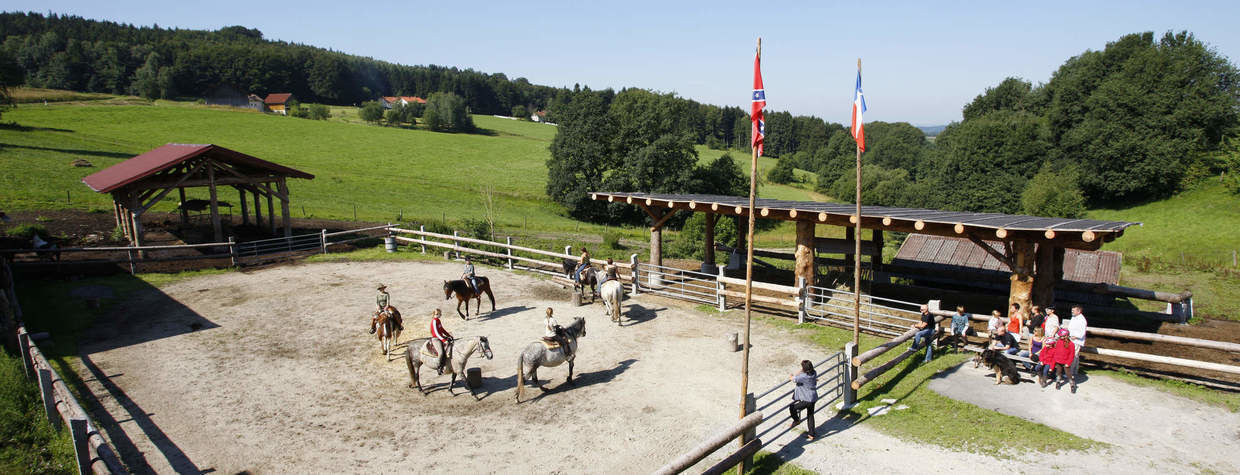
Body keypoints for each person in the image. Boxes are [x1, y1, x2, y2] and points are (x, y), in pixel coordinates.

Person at [788, 360, 819, 441]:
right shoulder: (814, 373)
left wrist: (792, 375)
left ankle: (796, 420)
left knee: (792, 407)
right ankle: (811, 434)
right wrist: (803, 370)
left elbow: (793, 378)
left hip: (807, 400)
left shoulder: (803, 377)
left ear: (804, 368)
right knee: (810, 415)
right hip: (813, 397)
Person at [1067, 305, 1088, 393]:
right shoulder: (1074, 317)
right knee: (1074, 356)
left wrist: (1076, 337)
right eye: (1072, 310)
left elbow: (1082, 332)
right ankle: (1074, 370)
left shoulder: (1082, 320)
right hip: (1071, 339)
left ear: (1079, 311)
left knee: (1073, 356)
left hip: (1076, 341)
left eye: (1073, 311)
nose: (1072, 312)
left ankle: (1070, 372)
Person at [429, 309, 453, 375]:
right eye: (436, 314)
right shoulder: (434, 321)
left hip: (441, 337)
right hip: (436, 339)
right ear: (433, 314)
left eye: (438, 314)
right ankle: (439, 367)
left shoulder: (438, 320)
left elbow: (442, 329)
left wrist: (448, 335)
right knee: (441, 353)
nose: (437, 315)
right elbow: (436, 333)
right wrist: (444, 340)